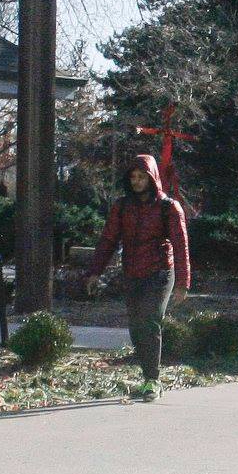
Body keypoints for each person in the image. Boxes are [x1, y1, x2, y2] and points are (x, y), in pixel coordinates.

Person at [79, 155, 191, 402]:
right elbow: (108, 240)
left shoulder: (168, 207)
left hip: (160, 272)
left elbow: (181, 246)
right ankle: (146, 374)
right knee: (136, 327)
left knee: (150, 321)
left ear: (152, 178)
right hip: (132, 273)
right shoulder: (122, 207)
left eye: (142, 177)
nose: (137, 182)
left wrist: (183, 283)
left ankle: (153, 380)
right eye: (133, 177)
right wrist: (94, 272)